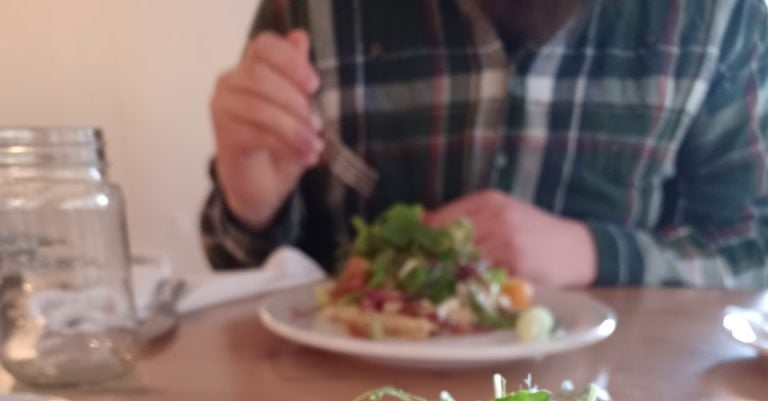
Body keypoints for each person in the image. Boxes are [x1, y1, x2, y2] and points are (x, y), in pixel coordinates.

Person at [201, 0, 768, 288]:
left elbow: (752, 248)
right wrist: (250, 211)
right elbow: (252, 272)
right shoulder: (309, 11)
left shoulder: (722, 14)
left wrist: (590, 252)